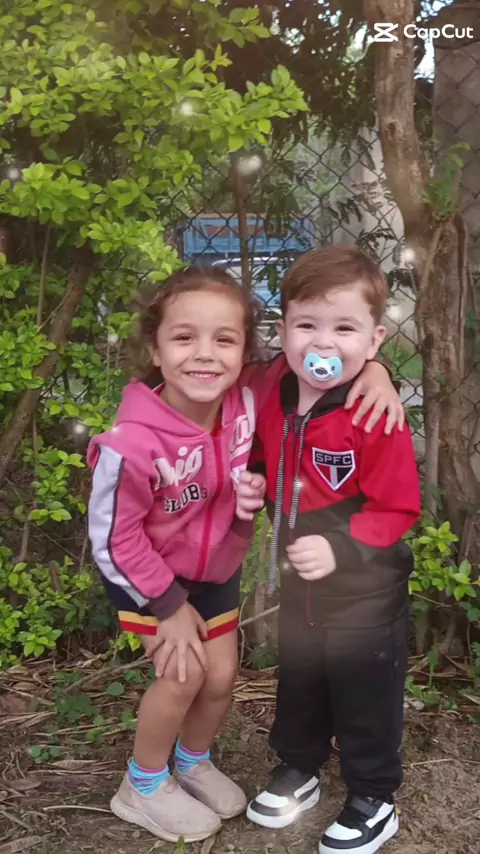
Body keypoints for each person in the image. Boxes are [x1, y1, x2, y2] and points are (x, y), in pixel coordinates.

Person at [87, 263, 403, 844]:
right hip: (150, 577)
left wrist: (378, 372)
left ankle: (192, 761)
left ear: (245, 353)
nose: (205, 355)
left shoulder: (246, 395)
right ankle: (143, 783)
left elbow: (327, 353)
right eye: (184, 337)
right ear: (155, 349)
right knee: (183, 676)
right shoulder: (131, 443)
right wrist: (165, 606)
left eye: (224, 340)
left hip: (214, 571)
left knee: (221, 676)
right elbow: (112, 538)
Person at [236, 246, 421, 854]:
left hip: (365, 591)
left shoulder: (374, 413)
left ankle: (374, 796)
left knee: (365, 693)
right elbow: (262, 451)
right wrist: (254, 479)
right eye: (306, 324)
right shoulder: (274, 388)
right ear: (283, 329)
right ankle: (299, 765)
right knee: (302, 677)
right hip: (300, 582)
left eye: (344, 328)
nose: (323, 342)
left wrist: (341, 547)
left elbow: (397, 508)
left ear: (374, 339)